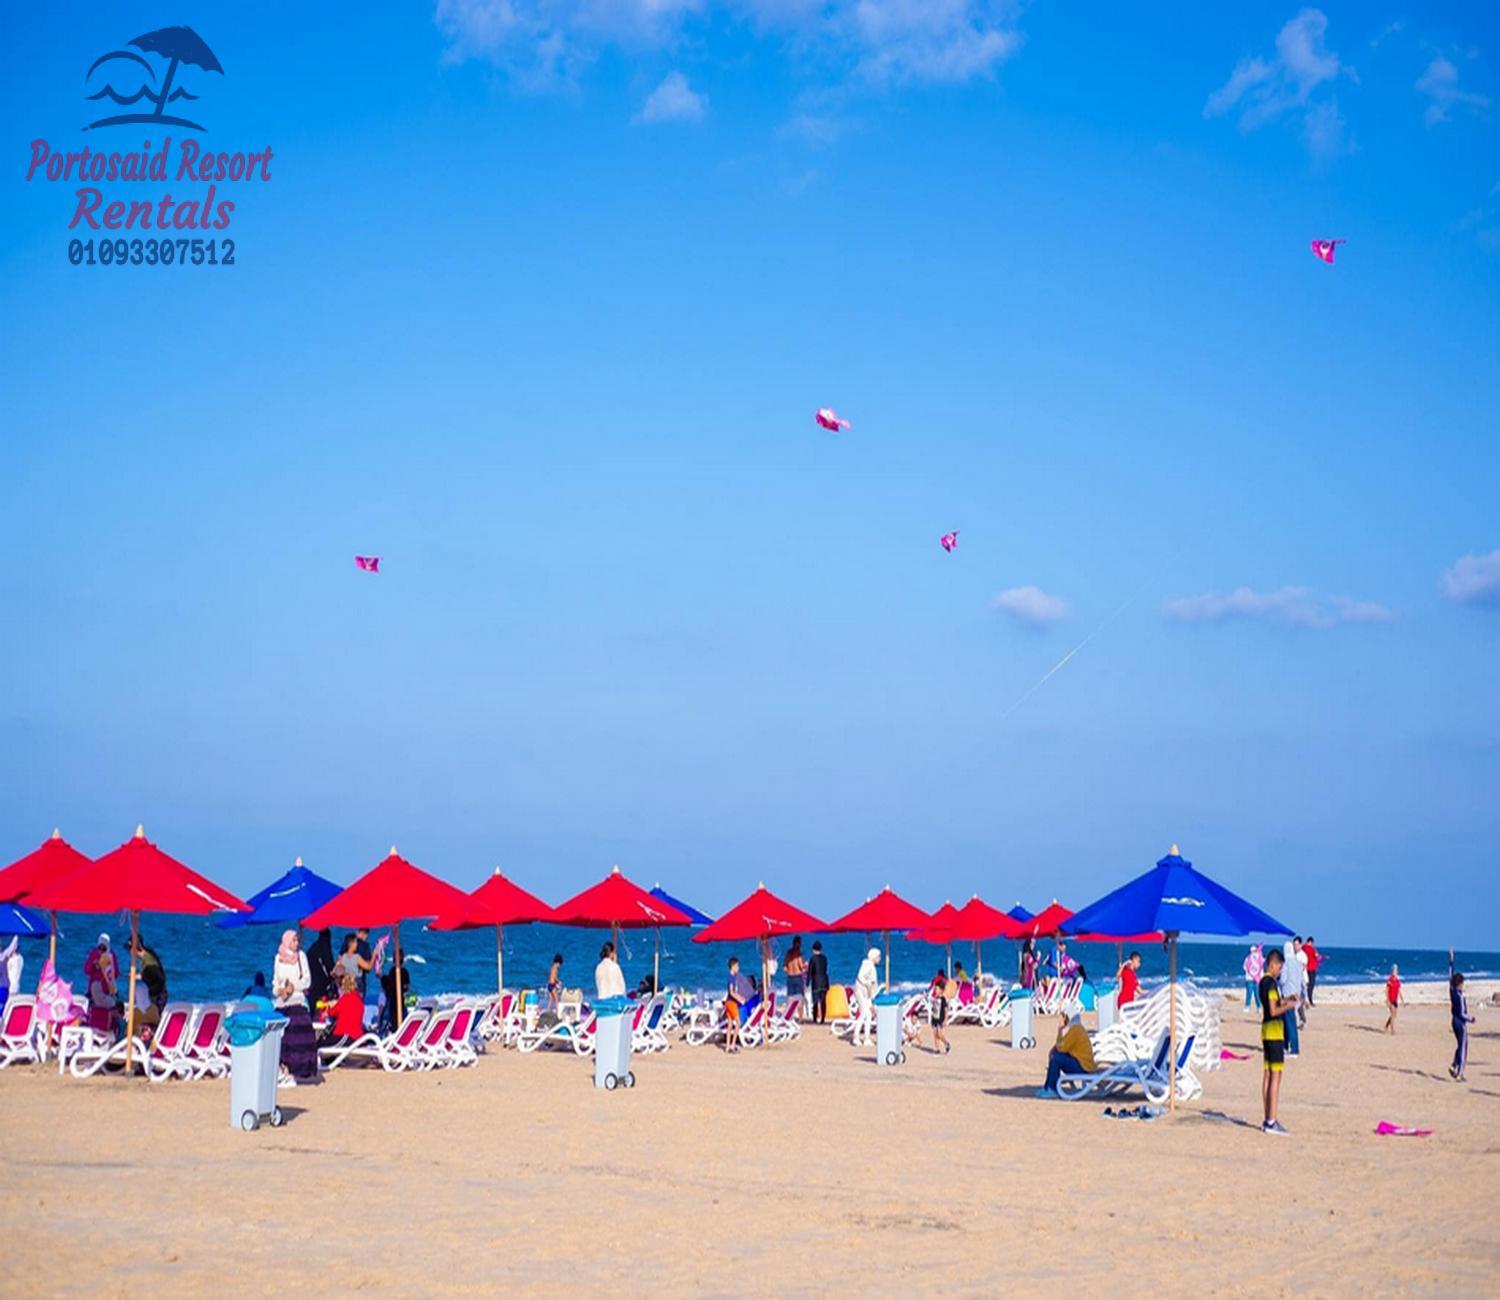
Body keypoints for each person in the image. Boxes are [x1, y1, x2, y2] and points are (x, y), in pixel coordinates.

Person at [1259, 946, 1297, 1134]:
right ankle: (1271, 1120)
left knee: (1267, 1074)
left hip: (1266, 1030)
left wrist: (1287, 999)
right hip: (1274, 1032)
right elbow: (1274, 1010)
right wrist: (1288, 1007)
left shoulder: (1262, 982)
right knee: (1276, 1076)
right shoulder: (1272, 984)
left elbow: (1270, 1004)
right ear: (1272, 965)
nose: (1280, 971)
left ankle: (1268, 1117)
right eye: (1279, 967)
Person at [272, 929, 318, 1084]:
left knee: (298, 1038)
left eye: (297, 940)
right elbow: (275, 983)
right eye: (293, 940)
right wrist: (280, 990)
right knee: (282, 1038)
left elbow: (307, 980)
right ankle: (282, 1069)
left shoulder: (301, 956)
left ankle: (297, 1071)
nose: (296, 943)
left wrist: (294, 987)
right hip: (282, 1002)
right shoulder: (278, 958)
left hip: (297, 1001)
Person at [1037, 1013, 1096, 1096]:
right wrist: (1054, 1048)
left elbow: (1062, 1047)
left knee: (1056, 1058)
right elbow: (1062, 1045)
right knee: (1056, 1055)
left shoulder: (1076, 1030)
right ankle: (1048, 1087)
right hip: (1084, 1066)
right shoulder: (1077, 1029)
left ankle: (1051, 1088)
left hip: (1083, 1068)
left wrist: (1060, 1029)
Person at [84, 934, 119, 1036]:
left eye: (103, 948)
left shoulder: (109, 956)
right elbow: (87, 970)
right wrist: (94, 965)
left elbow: (115, 973)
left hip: (105, 990)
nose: (101, 950)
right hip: (98, 990)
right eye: (100, 947)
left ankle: (105, 1030)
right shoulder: (96, 954)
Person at [319, 973, 367, 1048]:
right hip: (356, 1037)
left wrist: (326, 1012)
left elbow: (333, 1011)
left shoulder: (346, 998)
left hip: (346, 1035)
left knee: (321, 1046)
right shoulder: (358, 999)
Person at [1449, 949, 1474, 1083]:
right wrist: (1471, 1019)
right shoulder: (1459, 996)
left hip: (1453, 1021)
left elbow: (1450, 975)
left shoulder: (1452, 991)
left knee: (1459, 1045)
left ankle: (1454, 1065)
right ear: (1459, 984)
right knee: (1464, 1047)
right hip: (1460, 1022)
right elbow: (1462, 1013)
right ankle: (1459, 1073)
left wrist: (1451, 960)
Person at [1278, 939, 1304, 1056]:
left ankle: (1294, 1049)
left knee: (1290, 1022)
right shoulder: (1297, 962)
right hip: (1296, 995)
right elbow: (1301, 980)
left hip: (1287, 995)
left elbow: (1283, 980)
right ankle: (1285, 1046)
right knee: (1288, 1021)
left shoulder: (1286, 964)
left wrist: (1278, 982)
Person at [724, 957, 753, 1053]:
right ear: (733, 966)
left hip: (729, 1002)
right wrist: (740, 999)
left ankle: (728, 1047)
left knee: (730, 1025)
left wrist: (739, 997)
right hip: (731, 1003)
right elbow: (731, 992)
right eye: (737, 966)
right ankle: (732, 1045)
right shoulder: (731, 978)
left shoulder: (732, 977)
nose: (738, 968)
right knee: (738, 1023)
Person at [133, 936, 168, 1016]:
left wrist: (141, 976)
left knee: (153, 1016)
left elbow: (155, 975)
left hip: (157, 994)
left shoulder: (148, 960)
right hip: (158, 992)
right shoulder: (147, 956)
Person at [853, 947, 880, 1047]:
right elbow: (860, 976)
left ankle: (866, 1038)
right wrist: (867, 985)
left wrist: (871, 997)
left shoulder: (870, 966)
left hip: (866, 993)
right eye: (878, 956)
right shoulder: (867, 965)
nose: (879, 959)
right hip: (862, 992)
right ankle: (856, 1037)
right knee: (864, 1014)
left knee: (868, 1015)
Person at [379, 958, 412, 1034]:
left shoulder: (393, 971)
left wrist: (382, 977)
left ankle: (380, 1025)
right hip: (401, 1001)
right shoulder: (405, 972)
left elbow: (388, 985)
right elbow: (407, 987)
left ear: (394, 960)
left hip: (393, 1003)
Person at [306, 928, 336, 1009]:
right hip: (321, 982)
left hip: (311, 981)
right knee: (323, 1005)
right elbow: (329, 964)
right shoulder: (325, 947)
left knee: (313, 1005)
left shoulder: (313, 947)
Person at [927, 967, 954, 1055]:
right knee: (935, 1034)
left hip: (940, 1018)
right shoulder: (934, 998)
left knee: (939, 1034)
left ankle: (946, 1043)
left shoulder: (943, 999)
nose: (935, 991)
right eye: (935, 989)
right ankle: (937, 1048)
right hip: (934, 1017)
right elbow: (933, 1006)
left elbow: (946, 1009)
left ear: (941, 990)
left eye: (937, 989)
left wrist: (945, 1019)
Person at [783, 937, 807, 1018]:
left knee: (790, 997)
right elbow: (801, 966)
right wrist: (805, 964)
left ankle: (788, 1017)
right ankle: (800, 1018)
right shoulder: (798, 953)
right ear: (799, 943)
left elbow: (784, 967)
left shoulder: (788, 953)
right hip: (797, 976)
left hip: (790, 977)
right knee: (800, 997)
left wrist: (789, 969)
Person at [808, 940, 830, 1025]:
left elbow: (810, 971)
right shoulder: (824, 958)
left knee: (815, 1001)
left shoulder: (812, 959)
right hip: (824, 981)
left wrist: (807, 982)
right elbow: (825, 969)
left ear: (813, 949)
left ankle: (815, 1019)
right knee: (823, 1001)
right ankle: (823, 1019)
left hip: (816, 982)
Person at [1383, 964, 1404, 1034]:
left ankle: (1386, 1026)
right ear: (1391, 972)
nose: (1394, 972)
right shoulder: (1389, 980)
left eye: (1396, 971)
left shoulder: (1398, 981)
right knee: (1392, 1014)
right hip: (1390, 1000)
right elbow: (1386, 990)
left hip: (1395, 1000)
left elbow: (1399, 991)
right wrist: (1387, 1000)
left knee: (1394, 1015)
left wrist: (1402, 1000)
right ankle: (1392, 1030)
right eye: (1393, 971)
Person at [1302, 936, 1322, 1007]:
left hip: (1305, 969)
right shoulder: (1312, 949)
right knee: (1311, 985)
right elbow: (1317, 956)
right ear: (1311, 942)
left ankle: (1305, 999)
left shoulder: (1303, 948)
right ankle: (1310, 1000)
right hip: (1312, 969)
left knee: (1306, 985)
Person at [1243, 944, 1264, 1011]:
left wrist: (1260, 977)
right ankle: (1248, 1006)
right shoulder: (1248, 958)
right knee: (1249, 993)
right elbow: (1245, 967)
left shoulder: (1259, 958)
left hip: (1256, 979)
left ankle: (1258, 1006)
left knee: (1256, 994)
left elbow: (1261, 968)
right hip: (1250, 979)